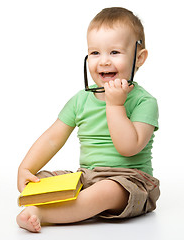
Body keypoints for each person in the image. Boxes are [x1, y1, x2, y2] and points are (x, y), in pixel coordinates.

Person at [16, 7, 160, 233]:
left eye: (114, 52)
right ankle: (53, 202)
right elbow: (53, 138)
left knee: (106, 191)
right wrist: (26, 168)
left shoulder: (144, 102)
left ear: (139, 58)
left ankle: (42, 213)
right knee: (41, 179)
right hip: (88, 175)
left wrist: (115, 105)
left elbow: (128, 147)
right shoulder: (81, 100)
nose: (103, 61)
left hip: (129, 180)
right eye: (95, 53)